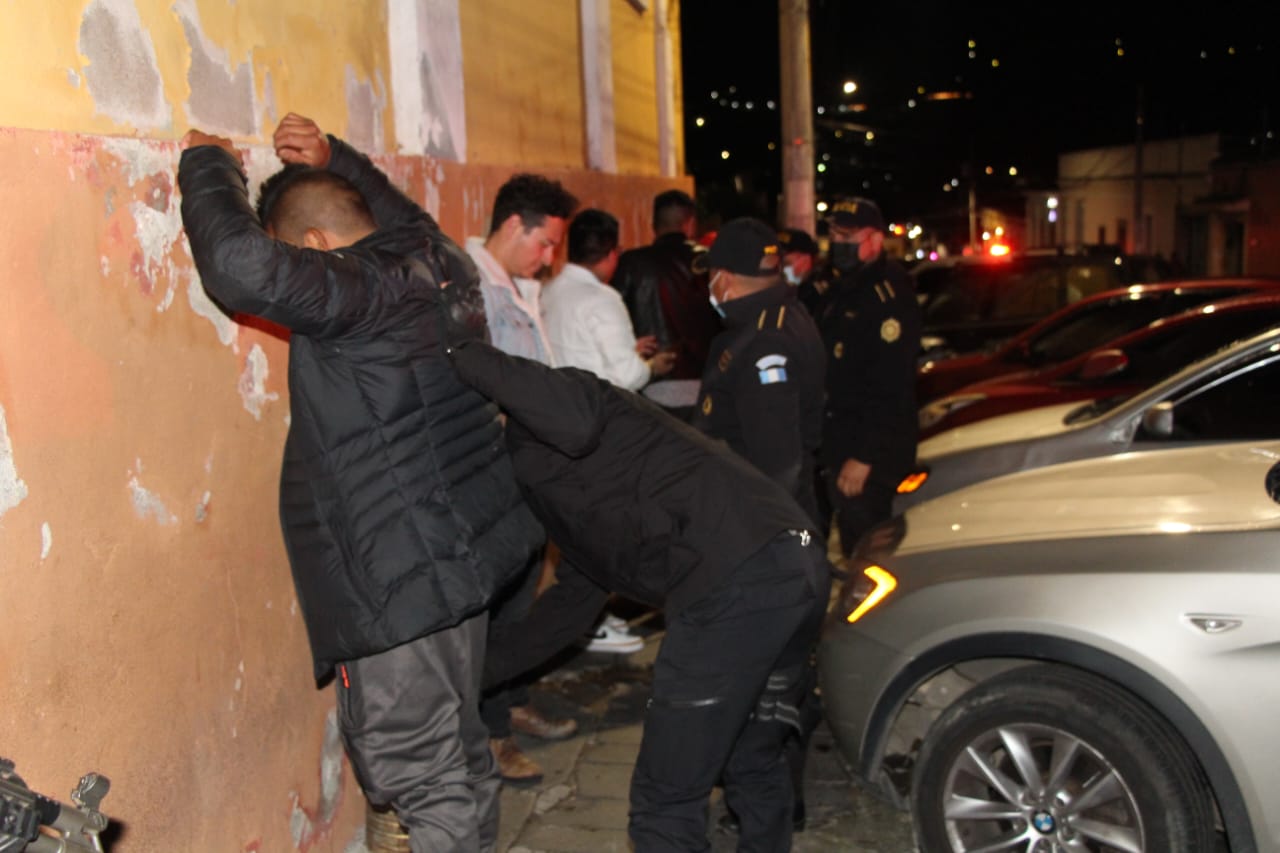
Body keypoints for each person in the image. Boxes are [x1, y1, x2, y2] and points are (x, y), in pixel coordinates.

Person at [177, 113, 544, 853]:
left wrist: (208, 167)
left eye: (297, 259)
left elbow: (239, 268)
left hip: (399, 586)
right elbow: (405, 215)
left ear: (313, 247)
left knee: (420, 770)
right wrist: (341, 158)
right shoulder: (441, 261)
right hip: (462, 564)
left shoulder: (359, 291)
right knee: (461, 751)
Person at [448, 340, 831, 853]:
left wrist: (448, 346)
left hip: (738, 582)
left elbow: (565, 413)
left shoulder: (568, 406)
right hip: (795, 563)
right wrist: (464, 678)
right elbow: (565, 613)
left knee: (665, 801)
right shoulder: (569, 496)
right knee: (751, 756)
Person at [691, 218, 828, 835]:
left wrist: (750, 550)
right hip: (769, 534)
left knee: (762, 685)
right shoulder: (773, 320)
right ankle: (769, 798)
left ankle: (766, 807)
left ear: (724, 276)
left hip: (761, 541)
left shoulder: (764, 342)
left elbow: (778, 466)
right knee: (777, 678)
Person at [464, 172, 586, 786]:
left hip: (526, 470)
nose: (550, 258)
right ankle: (489, 736)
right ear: (514, 226)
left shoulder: (519, 287)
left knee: (519, 600)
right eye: (545, 243)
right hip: (488, 473)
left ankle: (507, 703)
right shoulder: (469, 289)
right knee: (493, 607)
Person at [818, 197, 922, 559]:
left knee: (869, 554)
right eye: (833, 233)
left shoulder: (886, 297)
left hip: (870, 455)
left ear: (875, 240)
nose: (837, 242)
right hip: (842, 439)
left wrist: (864, 456)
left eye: (848, 235)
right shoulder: (844, 288)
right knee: (851, 545)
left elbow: (890, 386)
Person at [611, 189, 722, 418]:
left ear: (653, 224)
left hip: (652, 381)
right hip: (705, 383)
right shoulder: (709, 263)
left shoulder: (631, 264)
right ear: (690, 224)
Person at [542, 208, 676, 393]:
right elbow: (628, 377)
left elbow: (581, 347)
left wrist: (631, 350)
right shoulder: (603, 299)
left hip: (557, 401)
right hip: (594, 408)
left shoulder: (546, 292)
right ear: (611, 254)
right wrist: (652, 366)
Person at [777, 226, 833, 321]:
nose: (779, 266)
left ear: (806, 260)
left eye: (786, 262)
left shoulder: (819, 294)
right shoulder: (775, 290)